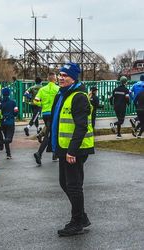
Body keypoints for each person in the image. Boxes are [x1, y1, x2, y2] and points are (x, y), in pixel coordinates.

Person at [50, 62, 94, 237]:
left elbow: (81, 126)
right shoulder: (61, 94)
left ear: (74, 78)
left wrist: (72, 150)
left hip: (75, 149)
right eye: (60, 74)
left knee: (74, 186)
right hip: (63, 146)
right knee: (64, 183)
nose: (61, 78)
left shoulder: (79, 96)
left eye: (65, 75)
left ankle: (77, 222)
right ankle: (81, 217)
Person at [33, 72, 59, 165]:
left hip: (45, 113)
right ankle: (39, 153)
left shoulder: (42, 89)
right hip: (54, 114)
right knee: (50, 133)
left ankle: (54, 154)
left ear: (48, 79)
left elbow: (35, 101)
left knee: (52, 132)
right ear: (55, 79)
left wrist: (42, 105)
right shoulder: (58, 89)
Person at [1, 87, 18, 159]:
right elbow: (16, 112)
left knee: (6, 138)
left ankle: (8, 154)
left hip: (3, 122)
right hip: (10, 122)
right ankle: (1, 142)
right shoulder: (13, 102)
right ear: (9, 94)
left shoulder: (0, 102)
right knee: (9, 139)